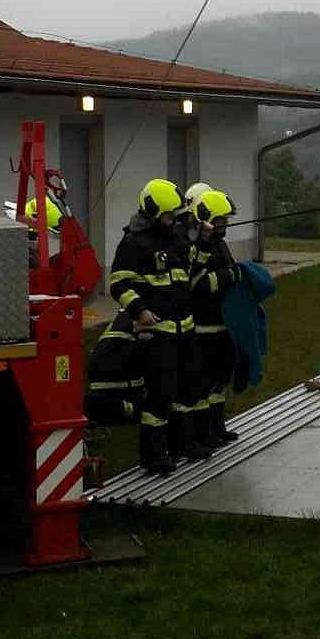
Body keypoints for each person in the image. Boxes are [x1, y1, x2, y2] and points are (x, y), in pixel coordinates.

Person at [90, 178, 209, 473]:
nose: (172, 220)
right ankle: (153, 456)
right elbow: (119, 283)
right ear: (152, 211)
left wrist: (204, 238)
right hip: (158, 332)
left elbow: (191, 267)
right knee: (159, 394)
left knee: (187, 390)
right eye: (168, 215)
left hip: (184, 327)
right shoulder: (134, 242)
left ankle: (184, 444)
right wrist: (140, 310)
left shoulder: (175, 238)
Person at [186, 187, 242, 447]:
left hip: (222, 323)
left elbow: (230, 270)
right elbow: (197, 283)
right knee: (202, 384)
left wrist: (233, 275)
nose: (225, 225)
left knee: (221, 379)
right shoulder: (197, 246)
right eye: (221, 220)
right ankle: (202, 432)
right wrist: (229, 277)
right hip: (202, 327)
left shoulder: (219, 244)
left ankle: (217, 426)